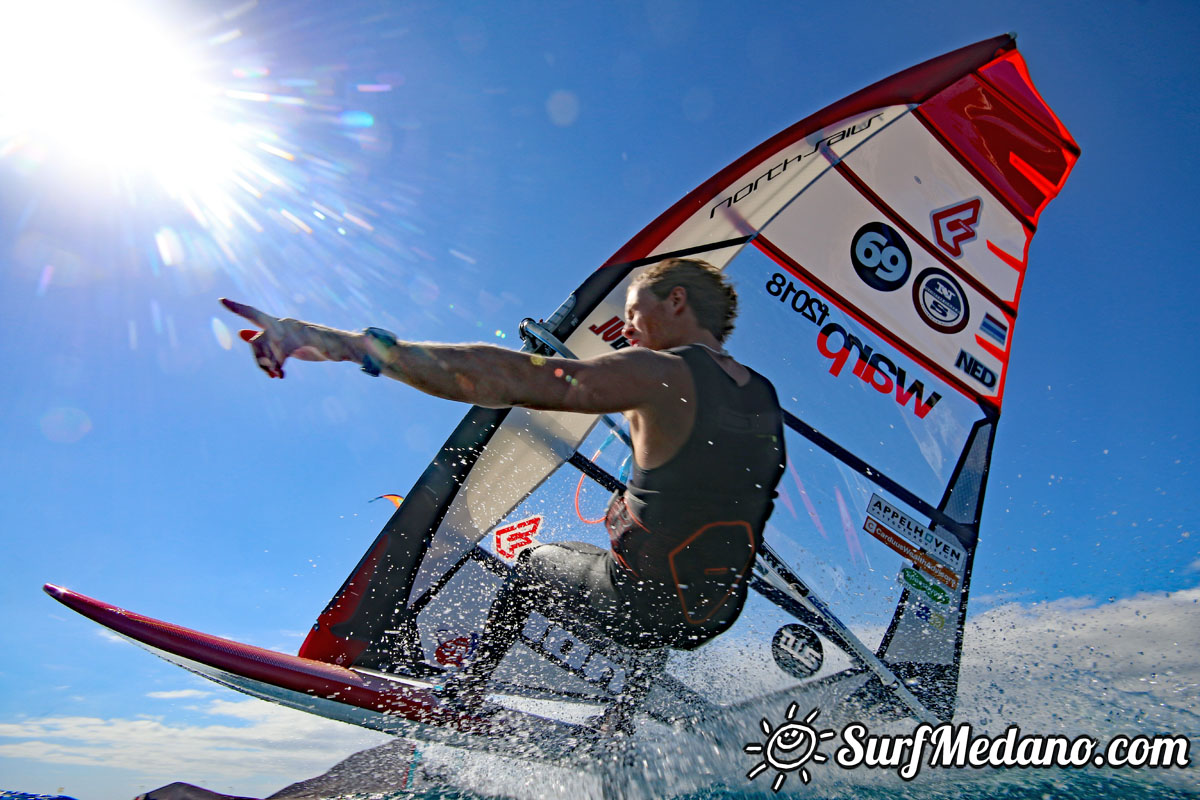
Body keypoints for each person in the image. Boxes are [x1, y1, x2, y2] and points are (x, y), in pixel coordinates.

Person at [223, 258, 785, 713]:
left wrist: (354, 346)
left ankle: (467, 690)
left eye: (635, 314)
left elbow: (512, 377)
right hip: (714, 612)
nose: (629, 330)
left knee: (534, 564)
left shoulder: (660, 371)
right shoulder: (763, 395)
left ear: (677, 302)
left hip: (641, 606)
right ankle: (618, 722)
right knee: (664, 570)